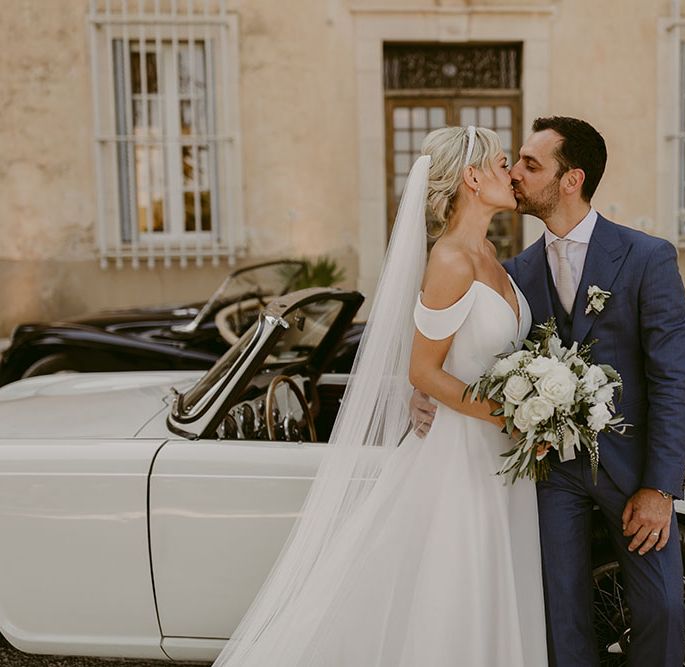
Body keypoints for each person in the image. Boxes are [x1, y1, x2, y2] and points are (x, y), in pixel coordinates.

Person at [210, 126, 548, 666]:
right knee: (455, 596)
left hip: (498, 457)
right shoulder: (451, 260)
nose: (511, 174)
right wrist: (509, 417)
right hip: (461, 460)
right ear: (472, 177)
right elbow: (423, 370)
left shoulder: (487, 251)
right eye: (504, 162)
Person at [412, 116, 685, 667]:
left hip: (633, 471)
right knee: (560, 616)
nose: (515, 173)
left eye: (530, 164)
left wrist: (660, 488)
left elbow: (673, 378)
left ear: (572, 180)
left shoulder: (646, 257)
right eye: (510, 161)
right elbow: (456, 350)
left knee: (662, 608)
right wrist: (428, 394)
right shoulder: (515, 272)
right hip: (544, 476)